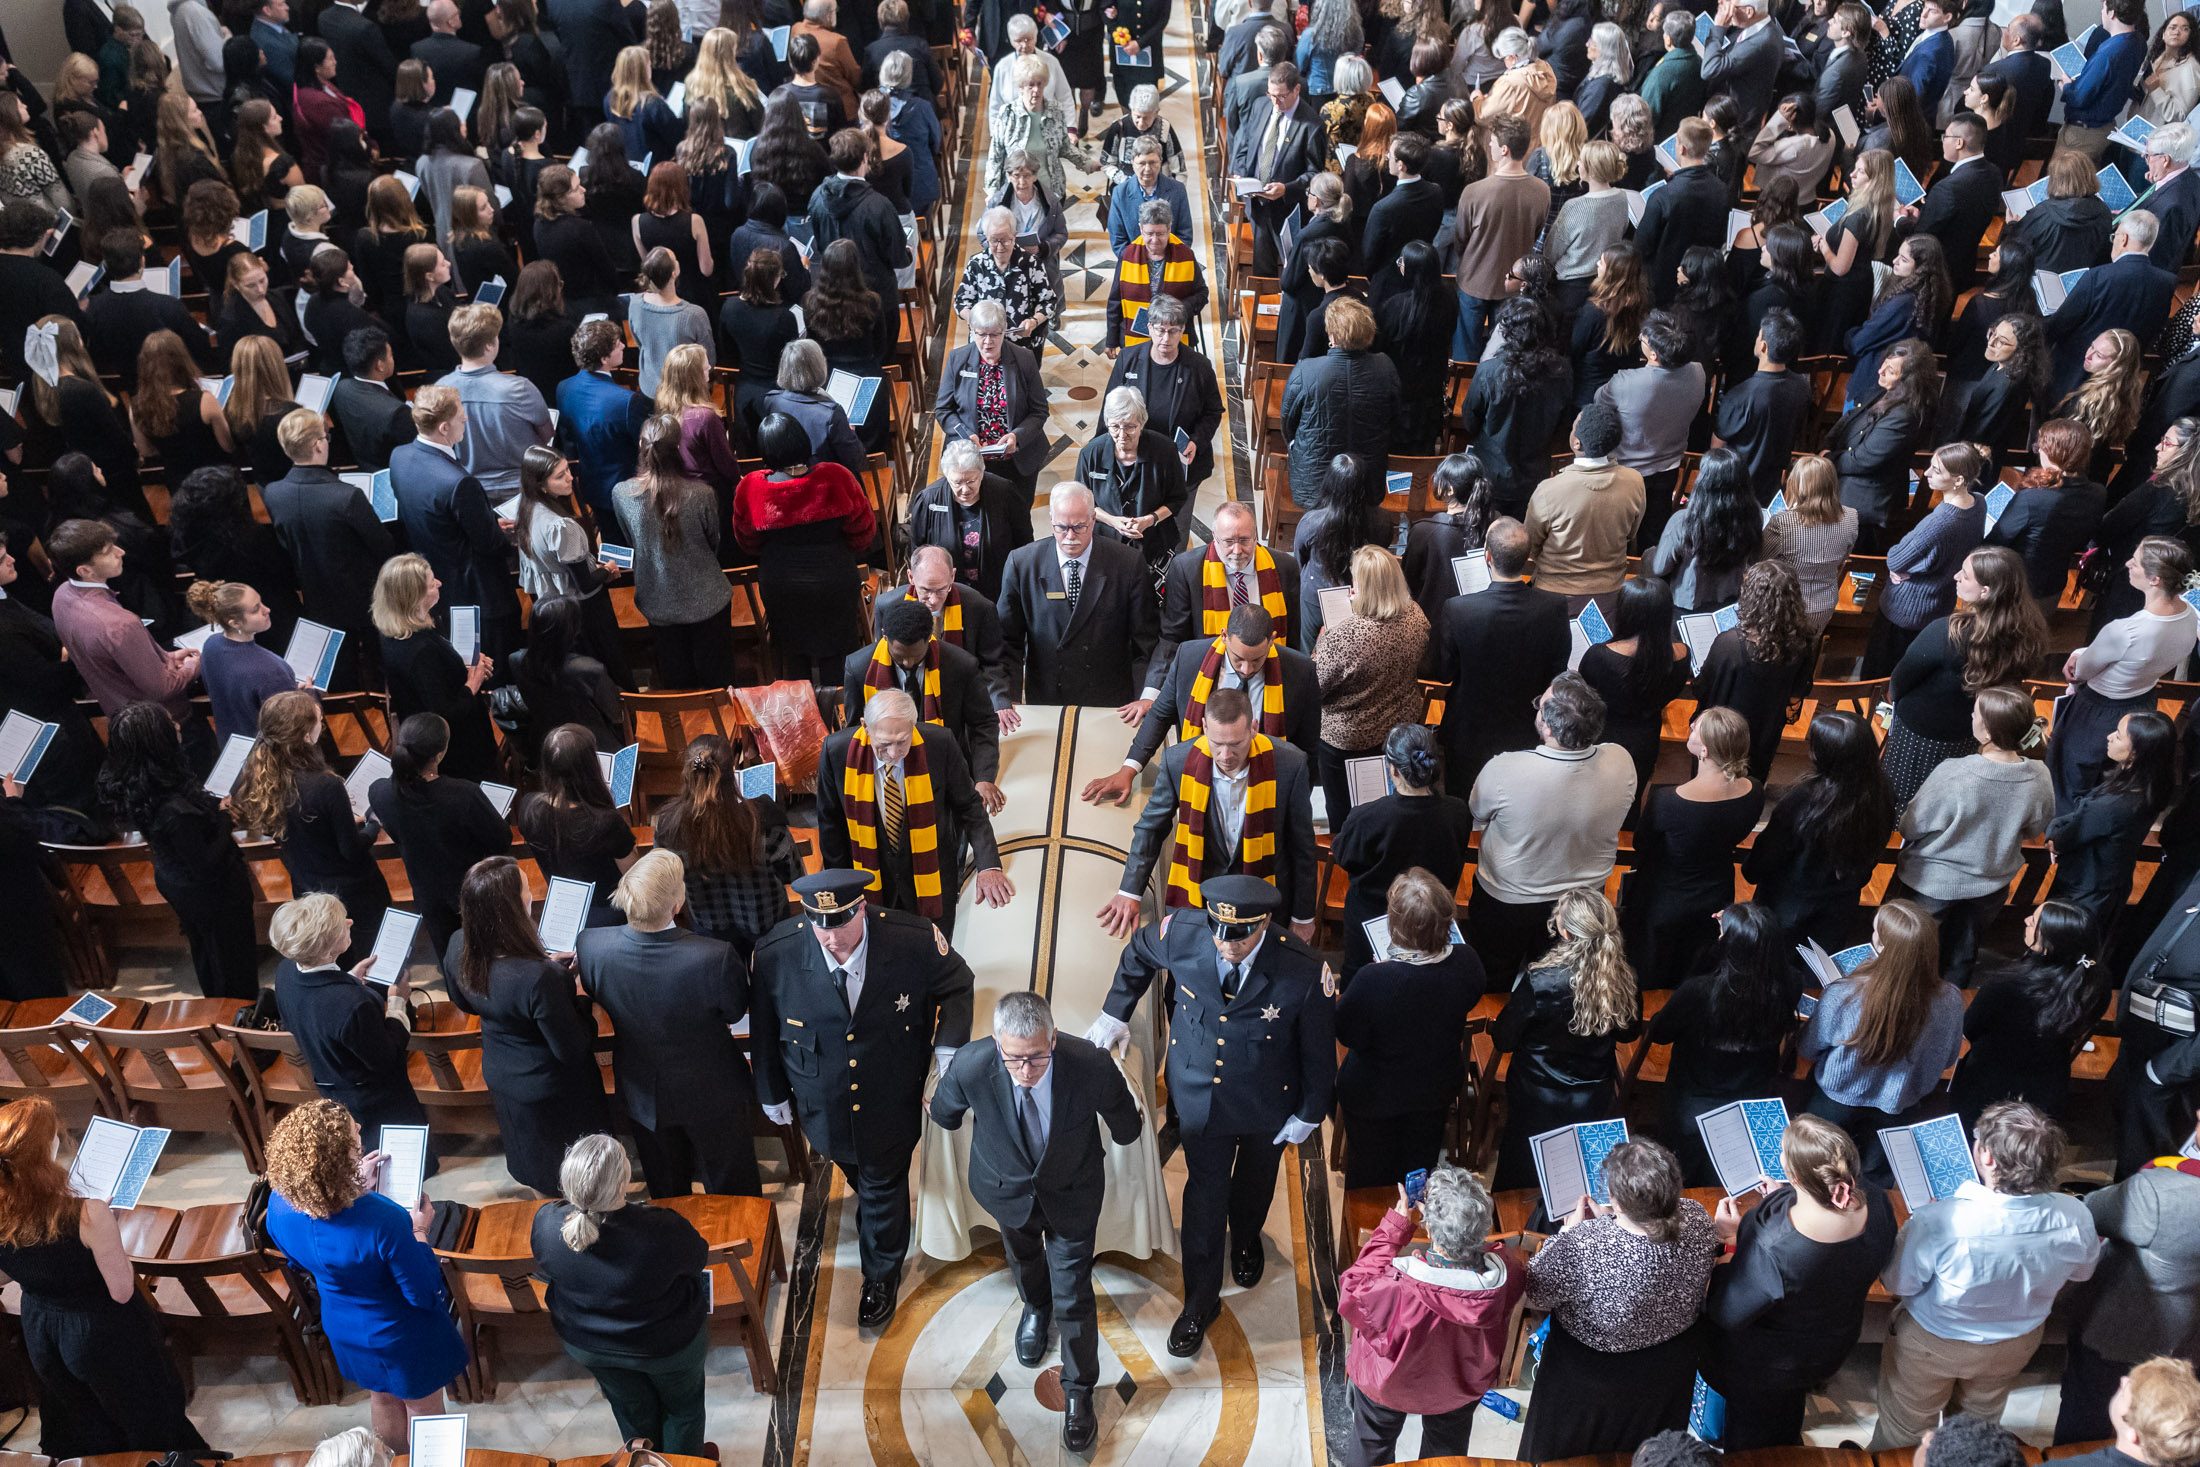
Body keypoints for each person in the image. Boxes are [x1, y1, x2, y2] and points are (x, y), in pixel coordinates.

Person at [1088, 874, 1334, 1354]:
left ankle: (1245, 1239)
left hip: (1267, 1102)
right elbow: (1138, 952)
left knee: (1256, 1182)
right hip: (1199, 1095)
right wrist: (1115, 1011)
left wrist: (1309, 1111)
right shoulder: (1184, 932)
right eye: (1219, 932)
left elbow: (1319, 1050)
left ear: (1263, 925)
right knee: (1204, 1197)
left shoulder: (1301, 969)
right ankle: (1199, 1301)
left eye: (1239, 936)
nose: (1226, 945)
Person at [750, 870, 977, 1327]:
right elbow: (765, 1028)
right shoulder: (778, 953)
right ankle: (880, 1213)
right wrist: (771, 1092)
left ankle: (881, 1274)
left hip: (890, 1094)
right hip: (821, 1104)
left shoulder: (909, 939)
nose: (830, 939)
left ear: (863, 910)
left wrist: (946, 1049)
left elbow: (959, 983)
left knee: (882, 1182)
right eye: (820, 925)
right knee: (856, 1170)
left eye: (840, 925)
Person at [930, 991, 1142, 1451]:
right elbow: (944, 1114)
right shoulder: (971, 1065)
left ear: (1054, 1036)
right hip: (1006, 1192)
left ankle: (1079, 1392)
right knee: (1023, 1259)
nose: (1026, 1072)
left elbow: (1128, 1126)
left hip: (1071, 1195)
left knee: (1075, 1295)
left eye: (1037, 1058)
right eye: (1013, 1059)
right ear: (995, 1043)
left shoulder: (1088, 1064)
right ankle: (1034, 1306)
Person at [1873, 1101, 2102, 1446]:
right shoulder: (2076, 1215)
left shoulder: (1941, 1220)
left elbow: (1897, 1282)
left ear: (1989, 1158)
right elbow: (2082, 1274)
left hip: (1934, 1339)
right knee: (1976, 1432)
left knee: (1904, 1433)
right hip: (2014, 1341)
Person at [0, 1094, 206, 1459]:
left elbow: (2, 1278)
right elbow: (122, 1290)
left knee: (80, 1417)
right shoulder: (86, 1213)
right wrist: (107, 1226)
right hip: (98, 1332)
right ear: (43, 1153)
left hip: (43, 1328)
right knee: (145, 1415)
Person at [262, 1101, 466, 1449]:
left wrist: (351, 1186)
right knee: (423, 1406)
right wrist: (419, 1231)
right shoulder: (384, 1219)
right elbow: (421, 1291)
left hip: (344, 1324)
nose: (361, 1137)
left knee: (382, 1396)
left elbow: (299, 1260)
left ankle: (389, 1458)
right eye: (356, 1144)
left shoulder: (279, 1205)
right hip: (401, 1333)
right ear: (338, 1165)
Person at [1702, 1115, 1900, 1449]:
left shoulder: (1776, 1247)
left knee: (1755, 1444)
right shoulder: (1878, 1202)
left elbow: (1727, 1312)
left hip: (1769, 1365)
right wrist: (1788, 1196)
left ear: (1794, 1177)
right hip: (1832, 1343)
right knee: (1784, 1412)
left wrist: (1729, 1239)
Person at [577, 851, 762, 1198]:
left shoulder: (591, 946)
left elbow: (594, 990)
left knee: (667, 1192)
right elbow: (735, 1011)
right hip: (712, 1089)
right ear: (677, 902)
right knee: (734, 1190)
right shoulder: (714, 956)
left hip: (643, 1090)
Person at [1519, 1137, 1718, 1458]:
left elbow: (1535, 1291)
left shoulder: (1583, 1246)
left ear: (1617, 1201)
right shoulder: (1697, 1220)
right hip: (1667, 1371)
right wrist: (1607, 1226)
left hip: (1589, 1379)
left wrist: (1569, 1233)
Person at [530, 1135, 713, 1454]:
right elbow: (696, 1260)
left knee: (632, 1409)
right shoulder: (660, 1229)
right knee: (683, 1410)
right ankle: (684, 1461)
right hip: (665, 1344)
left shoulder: (547, 1224)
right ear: (624, 1180)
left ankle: (644, 1460)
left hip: (589, 1343)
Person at [442, 856, 610, 1194]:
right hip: (552, 1086)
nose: (531, 893)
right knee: (573, 1173)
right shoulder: (540, 978)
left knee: (536, 1161)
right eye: (525, 888)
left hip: (502, 1070)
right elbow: (572, 1047)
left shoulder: (459, 943)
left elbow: (463, 1000)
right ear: (513, 907)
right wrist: (576, 992)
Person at [1338, 1166, 1526, 1467]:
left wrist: (1395, 1226)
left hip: (1389, 1383)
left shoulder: (1398, 1286)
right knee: (1446, 1453)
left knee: (1371, 1442)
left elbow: (1353, 1286)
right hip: (1460, 1385)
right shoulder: (1508, 1273)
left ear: (1428, 1226)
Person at [1469, 670, 1638, 987]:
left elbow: (1478, 812)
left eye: (1540, 706)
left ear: (1547, 727)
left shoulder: (1505, 768)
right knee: (1555, 980)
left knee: (1493, 976)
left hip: (1509, 899)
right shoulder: (1621, 760)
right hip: (1582, 900)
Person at [1893, 686, 2057, 986]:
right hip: (1991, 885)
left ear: (1988, 731)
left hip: (1932, 884)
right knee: (1962, 955)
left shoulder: (1955, 772)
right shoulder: (2039, 775)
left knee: (1909, 959)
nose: (1971, 714)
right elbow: (2035, 828)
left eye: (1976, 712)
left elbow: (1910, 825)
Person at [817, 689, 1009, 939]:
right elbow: (830, 825)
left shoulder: (940, 743)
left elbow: (969, 808)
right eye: (885, 744)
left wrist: (988, 865)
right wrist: (842, 890)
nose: (894, 753)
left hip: (932, 881)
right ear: (865, 726)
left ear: (913, 727)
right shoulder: (836, 751)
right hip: (870, 882)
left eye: (902, 741)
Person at [1334, 867, 1484, 1187]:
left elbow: (1347, 1033)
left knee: (1371, 1175)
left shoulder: (1373, 980)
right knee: (1419, 1167)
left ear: (1395, 926)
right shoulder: (1467, 961)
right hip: (1435, 1086)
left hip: (1376, 1093)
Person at [1799, 898, 1967, 1163]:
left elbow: (1808, 1047)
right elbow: (1947, 1059)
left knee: (1817, 1166)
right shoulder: (1950, 999)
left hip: (1835, 1101)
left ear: (1882, 947)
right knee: (1876, 1178)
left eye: (1875, 931)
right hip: (1901, 1105)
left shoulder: (1843, 994)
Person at [271, 889, 431, 1151]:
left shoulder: (286, 972)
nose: (350, 923)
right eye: (341, 925)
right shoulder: (352, 1005)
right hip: (376, 1101)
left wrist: (349, 979)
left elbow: (315, 1008)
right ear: (327, 947)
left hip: (331, 1084)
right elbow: (387, 1057)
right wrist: (397, 1001)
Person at [238, 693, 391, 964]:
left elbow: (299, 825)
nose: (323, 723)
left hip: (307, 884)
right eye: (320, 719)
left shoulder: (262, 776)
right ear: (307, 735)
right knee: (370, 958)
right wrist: (373, 825)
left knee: (333, 960)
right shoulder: (324, 785)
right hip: (352, 892)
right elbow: (351, 850)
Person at [2053, 538, 2200, 811]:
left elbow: (2082, 670)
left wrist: (2077, 656)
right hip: (2143, 701)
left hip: (2099, 709)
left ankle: (2066, 829)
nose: (2127, 563)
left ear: (2155, 579)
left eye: (2136, 561)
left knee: (2074, 775)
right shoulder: (2191, 615)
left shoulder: (2126, 630)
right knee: (2115, 779)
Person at [732, 410, 876, 683]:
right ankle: (843, 712)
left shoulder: (751, 488)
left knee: (792, 653)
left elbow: (747, 542)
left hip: (781, 583)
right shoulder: (836, 476)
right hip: (833, 578)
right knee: (839, 652)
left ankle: (800, 717)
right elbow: (863, 532)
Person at [1627, 709, 1764, 988]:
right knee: (1694, 970)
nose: (1690, 724)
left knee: (1650, 972)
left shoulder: (1668, 801)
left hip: (1665, 897)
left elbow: (1642, 844)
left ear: (1704, 750)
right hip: (1716, 891)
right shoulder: (1755, 791)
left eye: (1696, 727)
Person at [264, 408, 398, 691]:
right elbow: (383, 545)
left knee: (343, 668)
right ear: (317, 444)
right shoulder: (347, 496)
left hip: (315, 593)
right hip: (363, 594)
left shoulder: (274, 493)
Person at [1950, 899, 2110, 1129]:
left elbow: (1970, 1028)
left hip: (1991, 1080)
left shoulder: (2007, 984)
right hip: (2047, 1084)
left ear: (2049, 945)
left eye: (2034, 921)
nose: (2026, 920)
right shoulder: (2096, 981)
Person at [997, 483, 1159, 708]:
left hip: (1110, 699)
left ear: (1093, 519)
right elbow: (1007, 640)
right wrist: (1008, 698)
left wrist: (1143, 697)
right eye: (1061, 527)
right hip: (1048, 698)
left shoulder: (1127, 564)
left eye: (1079, 527)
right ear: (1051, 518)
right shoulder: (1022, 564)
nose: (1069, 536)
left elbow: (1146, 640)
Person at [367, 713, 511, 956]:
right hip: (471, 888)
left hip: (427, 890)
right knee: (487, 952)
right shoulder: (464, 794)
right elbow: (501, 840)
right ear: (439, 755)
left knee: (448, 954)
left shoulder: (380, 792)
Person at [650, 734, 803, 958]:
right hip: (766, 922)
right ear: (732, 775)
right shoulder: (763, 819)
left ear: (687, 775)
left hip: (708, 925)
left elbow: (665, 880)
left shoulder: (668, 826)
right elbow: (792, 872)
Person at [841, 600, 1003, 808]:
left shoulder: (961, 665)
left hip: (944, 770)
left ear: (929, 637)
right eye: (900, 656)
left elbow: (983, 723)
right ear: (885, 637)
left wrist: (984, 778)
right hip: (887, 771)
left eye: (915, 655)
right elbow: (855, 730)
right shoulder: (858, 668)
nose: (908, 663)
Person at [2059, 1208, 2200, 1446]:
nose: (2126, 1384)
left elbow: (2089, 1212)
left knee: (2086, 1412)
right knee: (2176, 1417)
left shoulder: (2157, 1193)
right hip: (2189, 1343)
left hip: (2123, 1333)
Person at [47, 520, 201, 735]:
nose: (121, 552)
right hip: (166, 724)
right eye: (109, 551)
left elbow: (114, 659)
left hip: (123, 717)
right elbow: (162, 688)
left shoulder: (62, 594)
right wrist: (193, 665)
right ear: (85, 570)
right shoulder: (120, 624)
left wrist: (165, 657)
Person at [616, 412, 735, 688]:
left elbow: (631, 538)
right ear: (679, 449)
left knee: (676, 676)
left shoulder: (621, 494)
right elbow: (713, 540)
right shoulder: (701, 493)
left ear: (641, 447)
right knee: (718, 679)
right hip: (706, 595)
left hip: (657, 597)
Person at [1311, 547, 1428, 819]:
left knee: (1343, 810)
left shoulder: (1344, 638)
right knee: (1385, 801)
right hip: (1397, 725)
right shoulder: (1416, 615)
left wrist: (1323, 639)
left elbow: (1314, 687)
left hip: (1348, 737)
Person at [2050, 712, 2179, 940]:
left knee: (2060, 944)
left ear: (2136, 753)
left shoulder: (2112, 806)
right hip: (2112, 882)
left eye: (2118, 736)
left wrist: (2052, 835)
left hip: (2086, 888)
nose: (2109, 737)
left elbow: (2066, 836)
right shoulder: (2155, 782)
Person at [1865, 442, 1990, 676]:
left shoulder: (1940, 521)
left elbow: (1895, 559)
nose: (1927, 474)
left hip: (1907, 607)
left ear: (1959, 480)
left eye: (1937, 470)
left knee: (1881, 673)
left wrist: (1901, 566)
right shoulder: (1979, 503)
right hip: (1940, 601)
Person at [1229, 61, 1331, 276]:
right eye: (1271, 94)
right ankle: (1262, 302)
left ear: (1296, 90)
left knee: (1290, 269)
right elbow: (1246, 143)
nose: (1275, 101)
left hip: (1286, 209)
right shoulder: (1261, 105)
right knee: (1261, 267)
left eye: (1281, 96)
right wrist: (1239, 170)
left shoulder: (1312, 126)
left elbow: (1315, 174)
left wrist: (1286, 188)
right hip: (1256, 201)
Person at [901, 439, 1032, 604]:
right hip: (948, 592)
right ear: (947, 477)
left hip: (997, 588)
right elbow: (919, 549)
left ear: (982, 472)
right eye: (957, 482)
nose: (965, 489)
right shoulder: (929, 500)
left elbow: (1024, 542)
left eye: (971, 481)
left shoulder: (1005, 493)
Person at [186, 579, 303, 744]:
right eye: (256, 609)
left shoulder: (211, 646)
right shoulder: (271, 669)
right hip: (270, 759)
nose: (267, 610)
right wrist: (311, 696)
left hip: (232, 748)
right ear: (234, 622)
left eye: (261, 602)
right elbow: (294, 726)